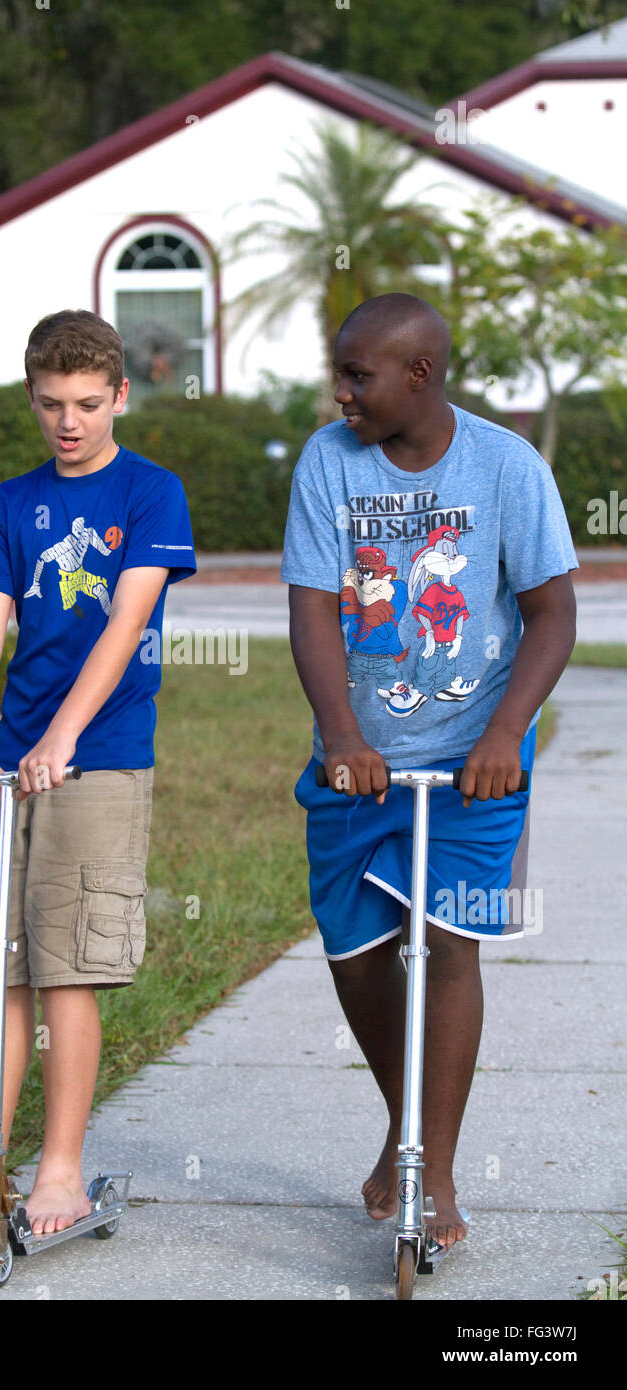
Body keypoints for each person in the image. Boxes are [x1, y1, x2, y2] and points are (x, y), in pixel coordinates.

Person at [281, 292, 577, 1255]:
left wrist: (504, 732)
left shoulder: (507, 466)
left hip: (474, 763)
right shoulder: (329, 462)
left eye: (359, 375)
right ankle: (408, 1126)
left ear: (420, 374)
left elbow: (552, 613)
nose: (343, 393)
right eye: (341, 372)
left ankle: (432, 1171)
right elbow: (316, 608)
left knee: (448, 946)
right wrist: (339, 736)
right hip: (357, 761)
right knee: (357, 952)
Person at [0, 309, 196, 1245]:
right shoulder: (12, 502)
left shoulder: (151, 493)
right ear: (30, 398)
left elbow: (124, 624)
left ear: (119, 396)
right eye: (48, 405)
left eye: (84, 404)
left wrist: (64, 736)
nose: (67, 423)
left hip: (99, 759)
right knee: (4, 973)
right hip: (16, 762)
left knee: (70, 969)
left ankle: (61, 1170)